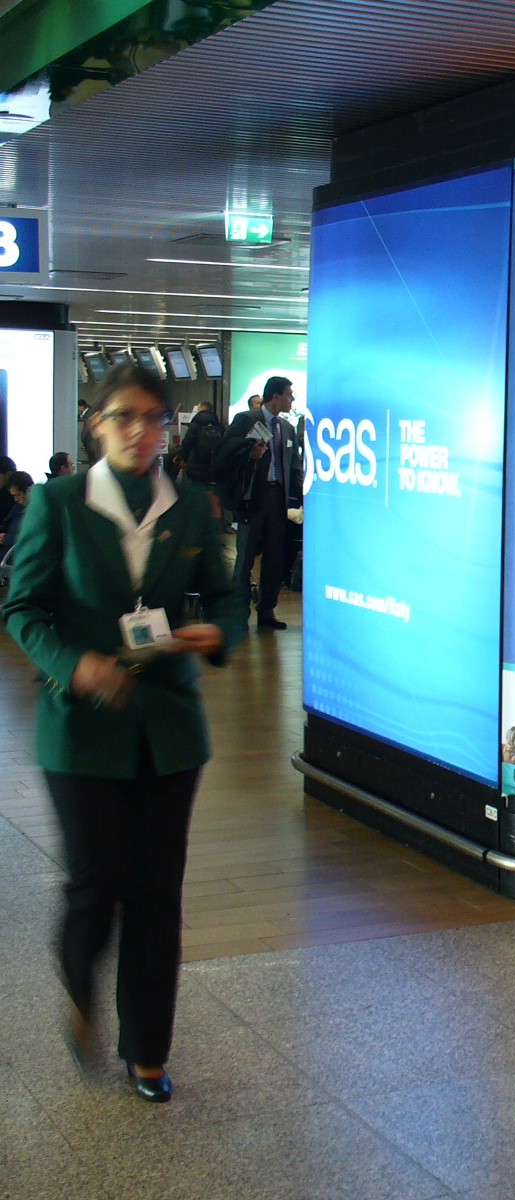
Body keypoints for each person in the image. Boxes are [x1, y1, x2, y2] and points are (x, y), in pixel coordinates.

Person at [2, 362, 246, 1102]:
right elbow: (22, 609)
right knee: (96, 883)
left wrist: (219, 633)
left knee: (155, 894)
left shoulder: (196, 506)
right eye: (124, 417)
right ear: (96, 424)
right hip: (82, 727)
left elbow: (231, 595)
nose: (142, 431)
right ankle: (79, 980)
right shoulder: (60, 502)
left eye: (155, 417)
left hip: (170, 730)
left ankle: (148, 1050)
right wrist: (73, 666)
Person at [217, 377, 302, 630]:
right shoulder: (246, 420)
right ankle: (239, 613)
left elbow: (294, 466)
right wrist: (248, 452)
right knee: (244, 559)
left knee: (275, 558)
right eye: (289, 394)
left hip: (278, 498)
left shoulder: (287, 428)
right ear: (275, 396)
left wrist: (303, 494)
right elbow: (226, 453)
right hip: (253, 497)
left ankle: (267, 611)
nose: (292, 399)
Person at [174, 397, 223, 487]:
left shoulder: (195, 425)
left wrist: (184, 459)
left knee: (196, 490)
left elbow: (187, 443)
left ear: (200, 409)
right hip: (213, 466)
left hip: (196, 465)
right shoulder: (218, 425)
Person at [3, 470, 33, 550]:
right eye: (14, 496)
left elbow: (31, 539)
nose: (16, 499)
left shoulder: (36, 512)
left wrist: (6, 539)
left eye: (18, 495)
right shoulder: (18, 507)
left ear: (28, 490)